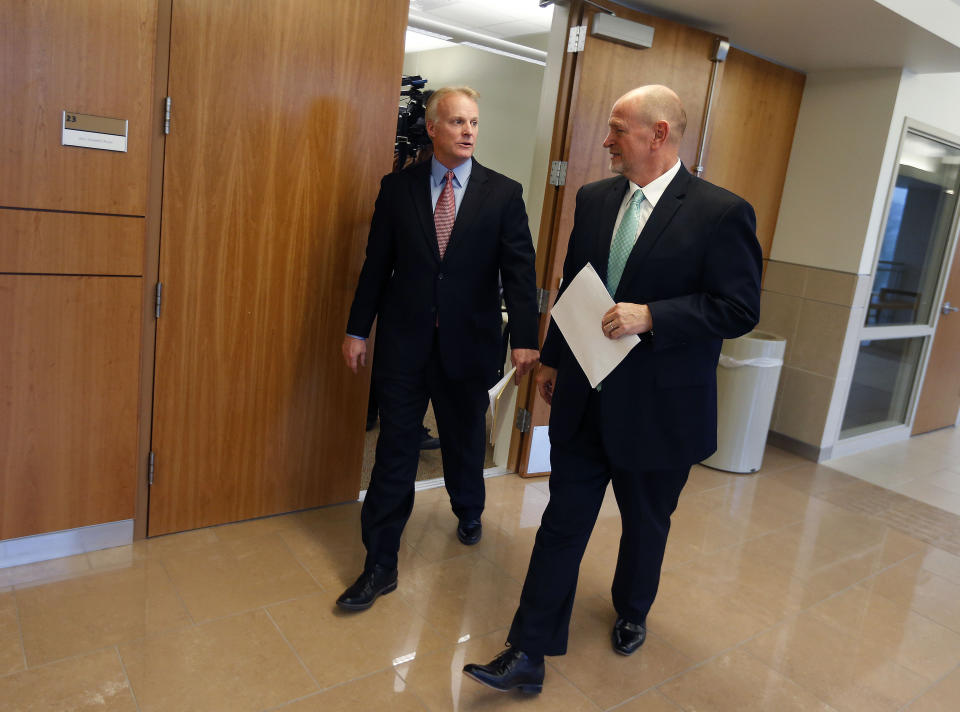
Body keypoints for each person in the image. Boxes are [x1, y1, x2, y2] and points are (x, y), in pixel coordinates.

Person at [462, 85, 761, 693]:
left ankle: (632, 610)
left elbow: (738, 308)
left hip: (661, 412)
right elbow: (578, 285)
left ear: (659, 134)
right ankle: (528, 652)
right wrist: (550, 360)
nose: (606, 141)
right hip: (587, 397)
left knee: (645, 525)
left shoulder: (721, 212)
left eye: (618, 129)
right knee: (562, 524)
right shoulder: (597, 200)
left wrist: (653, 315)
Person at [338, 86, 540, 611]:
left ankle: (468, 506)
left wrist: (525, 340)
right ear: (431, 129)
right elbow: (376, 264)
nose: (468, 131)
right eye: (456, 122)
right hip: (404, 345)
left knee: (464, 440)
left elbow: (520, 273)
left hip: (469, 346)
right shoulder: (397, 188)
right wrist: (357, 329)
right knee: (394, 452)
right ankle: (380, 563)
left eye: (474, 122)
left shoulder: (503, 193)